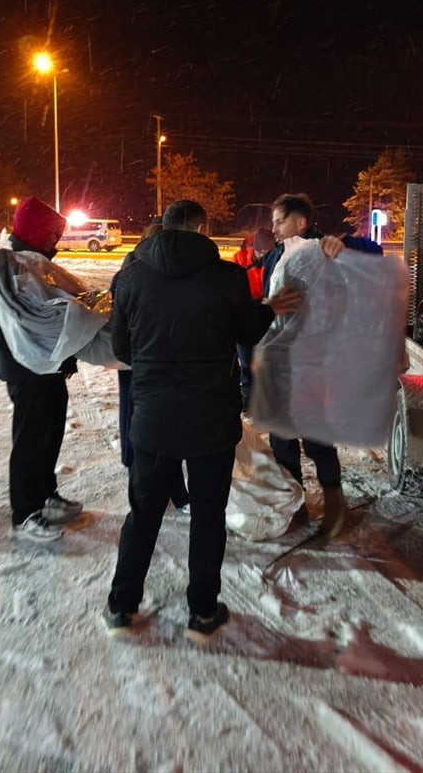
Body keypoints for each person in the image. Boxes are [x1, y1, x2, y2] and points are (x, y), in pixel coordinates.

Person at [105, 200, 299, 642]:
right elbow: (249, 332)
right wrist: (269, 307)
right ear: (201, 226)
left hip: (152, 418)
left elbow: (121, 348)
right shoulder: (225, 278)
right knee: (208, 516)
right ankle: (202, 613)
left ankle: (121, 606)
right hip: (210, 420)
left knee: (143, 515)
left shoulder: (131, 277)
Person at [260, 192, 383, 539]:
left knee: (317, 438)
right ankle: (295, 506)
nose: (274, 228)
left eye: (279, 221)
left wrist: (347, 243)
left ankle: (335, 506)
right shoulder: (277, 256)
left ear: (300, 222)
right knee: (282, 438)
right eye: (272, 222)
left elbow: (372, 256)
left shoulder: (327, 251)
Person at [0, 196, 84, 543]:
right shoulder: (7, 270)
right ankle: (24, 512)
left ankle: (45, 494)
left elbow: (55, 315)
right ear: (38, 231)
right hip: (26, 370)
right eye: (53, 233)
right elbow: (10, 324)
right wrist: (35, 352)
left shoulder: (36, 265)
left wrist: (64, 351)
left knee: (51, 432)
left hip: (49, 368)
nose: (57, 240)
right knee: (29, 440)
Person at [115, 219, 190, 514]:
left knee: (159, 430)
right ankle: (150, 496)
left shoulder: (136, 273)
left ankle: (165, 492)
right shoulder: (134, 275)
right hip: (143, 367)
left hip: (148, 365)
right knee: (146, 430)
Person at [232, 228, 276, 409]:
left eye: (268, 253)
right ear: (254, 249)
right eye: (261, 252)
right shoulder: (240, 259)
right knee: (247, 360)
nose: (264, 256)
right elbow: (235, 289)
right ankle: (248, 397)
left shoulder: (275, 258)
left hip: (267, 314)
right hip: (246, 313)